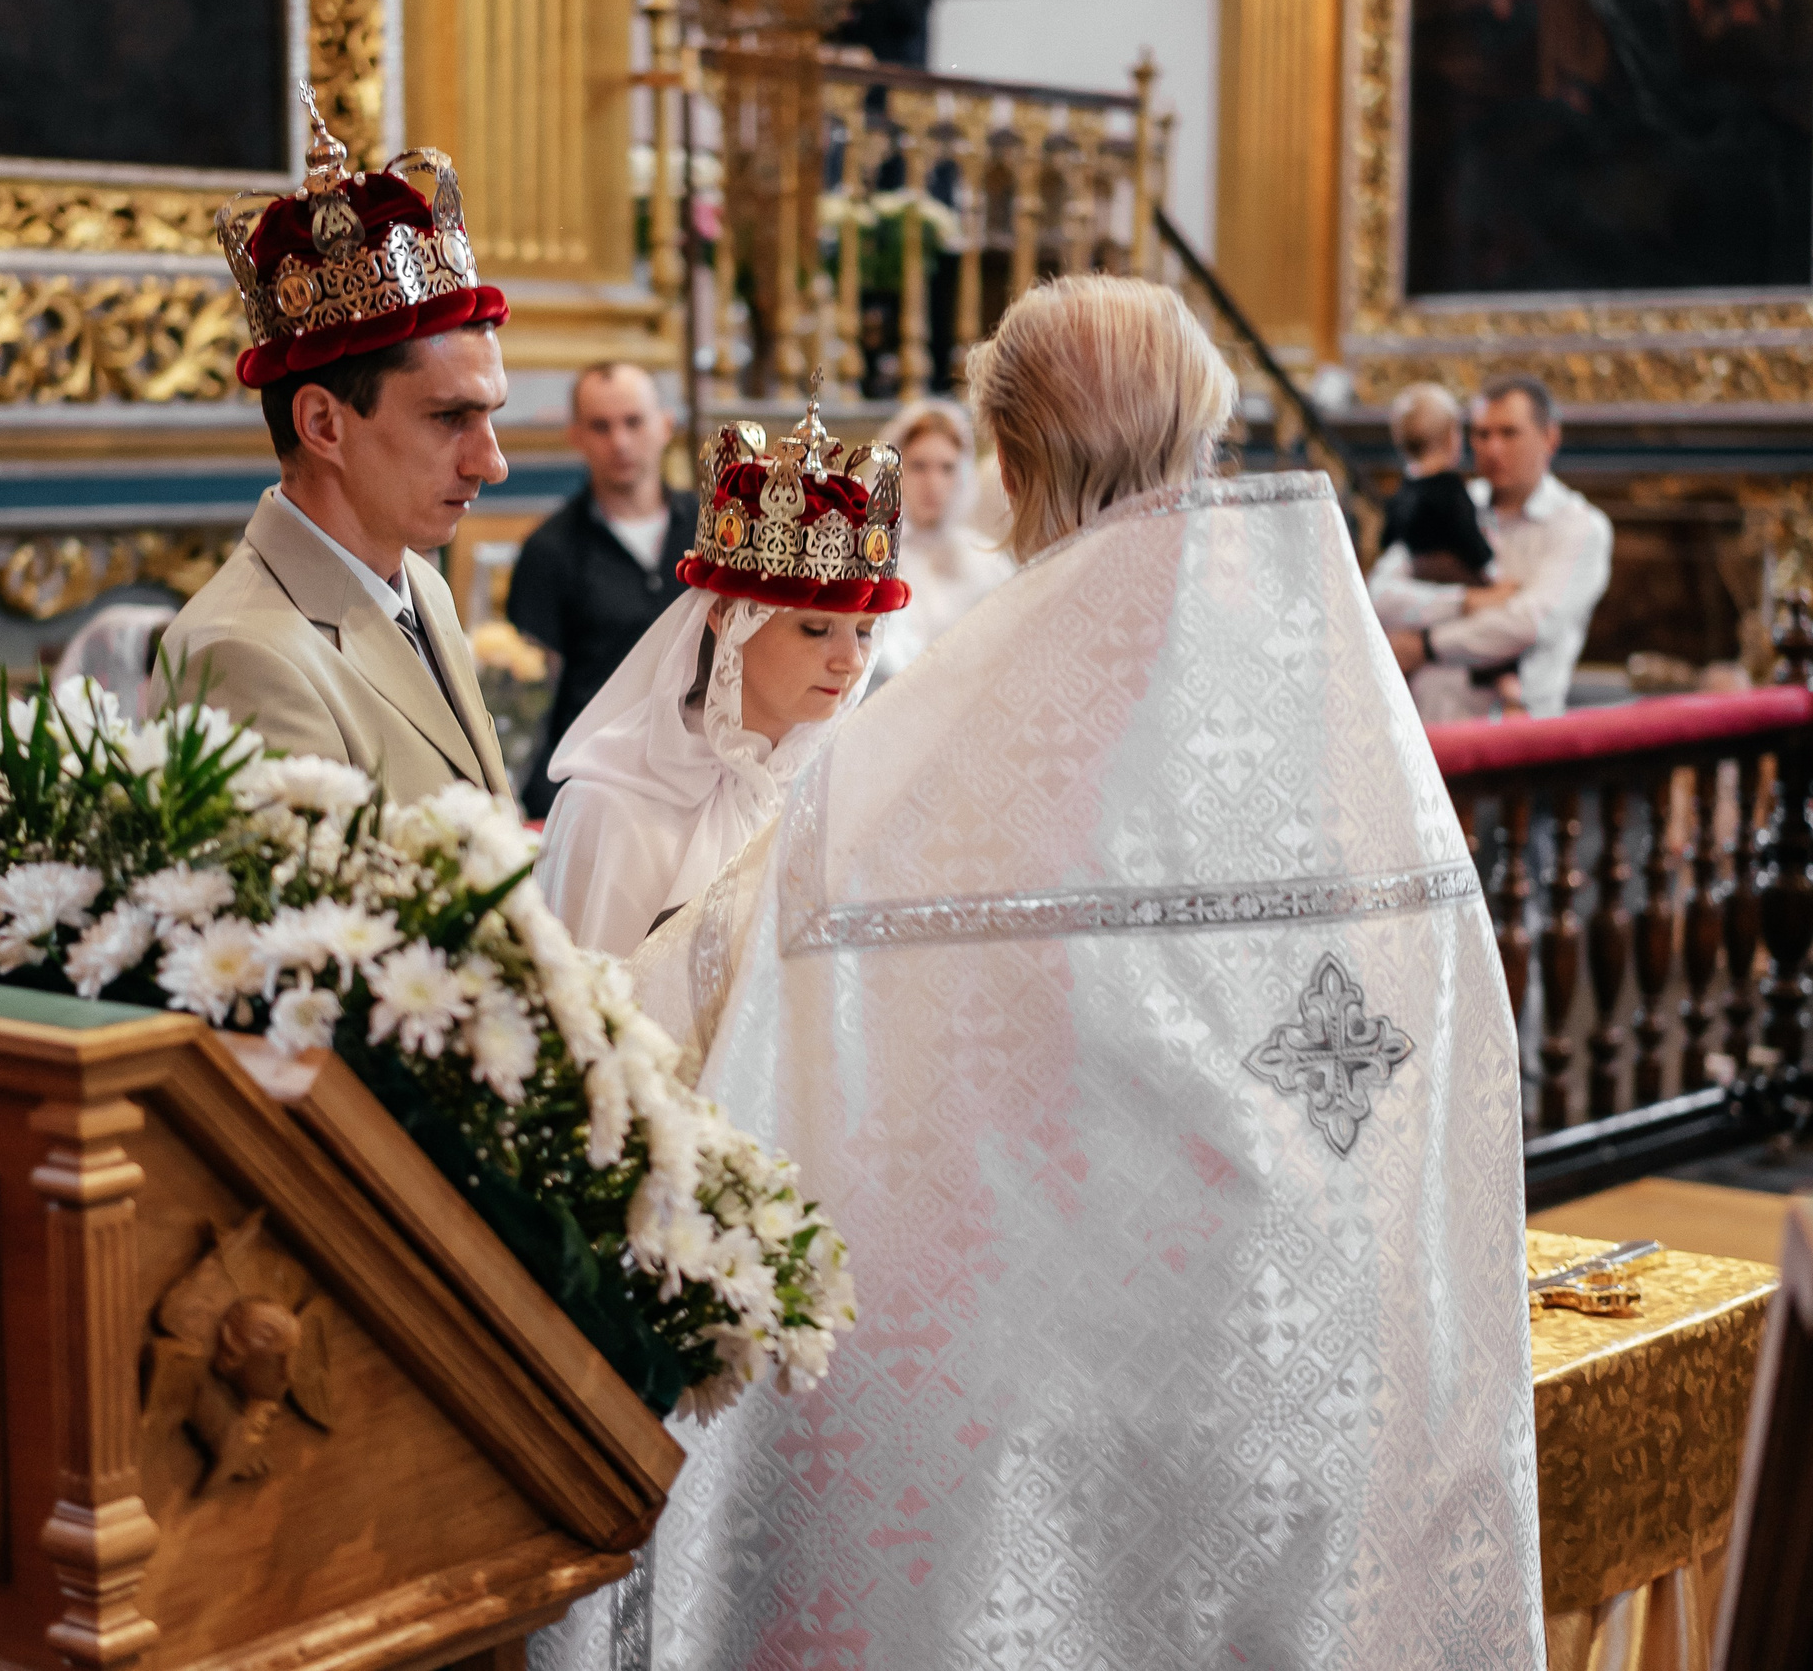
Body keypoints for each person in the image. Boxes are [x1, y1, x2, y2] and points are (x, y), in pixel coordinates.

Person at [539, 276, 1545, 1669]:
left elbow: (707, 1019)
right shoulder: (1338, 713)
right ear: (1208, 440)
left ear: (1008, 466)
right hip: (1299, 1406)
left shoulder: (937, 751)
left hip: (1031, 1451)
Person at [162, 89, 513, 805]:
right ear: (323, 424)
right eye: (451, 417)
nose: (493, 462)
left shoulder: (423, 586)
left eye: (491, 418)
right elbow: (316, 918)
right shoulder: (243, 653)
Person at [531, 394, 905, 954]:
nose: (849, 661)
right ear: (726, 621)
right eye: (815, 629)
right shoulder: (612, 808)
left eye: (865, 631)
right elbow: (583, 1019)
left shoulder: (845, 793)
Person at [506, 363, 700, 817]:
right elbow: (528, 702)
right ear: (576, 436)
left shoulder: (712, 530)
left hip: (700, 776)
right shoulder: (548, 550)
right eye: (600, 426)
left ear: (666, 425)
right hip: (593, 792)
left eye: (634, 422)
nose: (620, 442)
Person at [1372, 375, 1613, 720]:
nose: (1493, 448)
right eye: (1482, 434)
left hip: (1519, 735)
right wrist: (1466, 602)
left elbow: (1527, 624)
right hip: (1423, 726)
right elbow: (1380, 595)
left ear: (1549, 438)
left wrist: (1423, 645)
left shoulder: (1581, 526)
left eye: (1509, 433)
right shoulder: (1448, 504)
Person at [1373, 381, 1527, 715]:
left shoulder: (1402, 493)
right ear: (1452, 439)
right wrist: (1488, 571)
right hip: (1456, 579)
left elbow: (1388, 541)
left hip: (1422, 592)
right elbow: (1469, 539)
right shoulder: (1452, 491)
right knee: (1497, 612)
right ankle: (1509, 686)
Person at [873, 398, 1016, 675]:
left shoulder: (987, 560)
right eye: (918, 466)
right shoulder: (872, 555)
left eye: (947, 468)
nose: (933, 484)